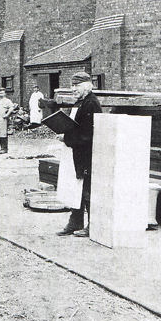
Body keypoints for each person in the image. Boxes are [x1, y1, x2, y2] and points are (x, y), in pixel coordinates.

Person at [57, 71, 101, 238]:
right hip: (77, 151)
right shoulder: (80, 102)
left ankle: (93, 225)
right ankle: (75, 222)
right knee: (77, 188)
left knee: (88, 190)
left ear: (87, 85)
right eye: (72, 85)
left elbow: (88, 134)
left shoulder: (91, 104)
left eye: (76, 85)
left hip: (87, 153)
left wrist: (66, 137)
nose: (73, 89)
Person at [0, 87, 14, 153]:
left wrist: (7, 115)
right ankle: (1, 148)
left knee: (3, 134)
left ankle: (5, 148)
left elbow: (11, 108)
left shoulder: (7, 101)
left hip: (3, 119)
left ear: (5, 93)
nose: (0, 94)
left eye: (2, 93)